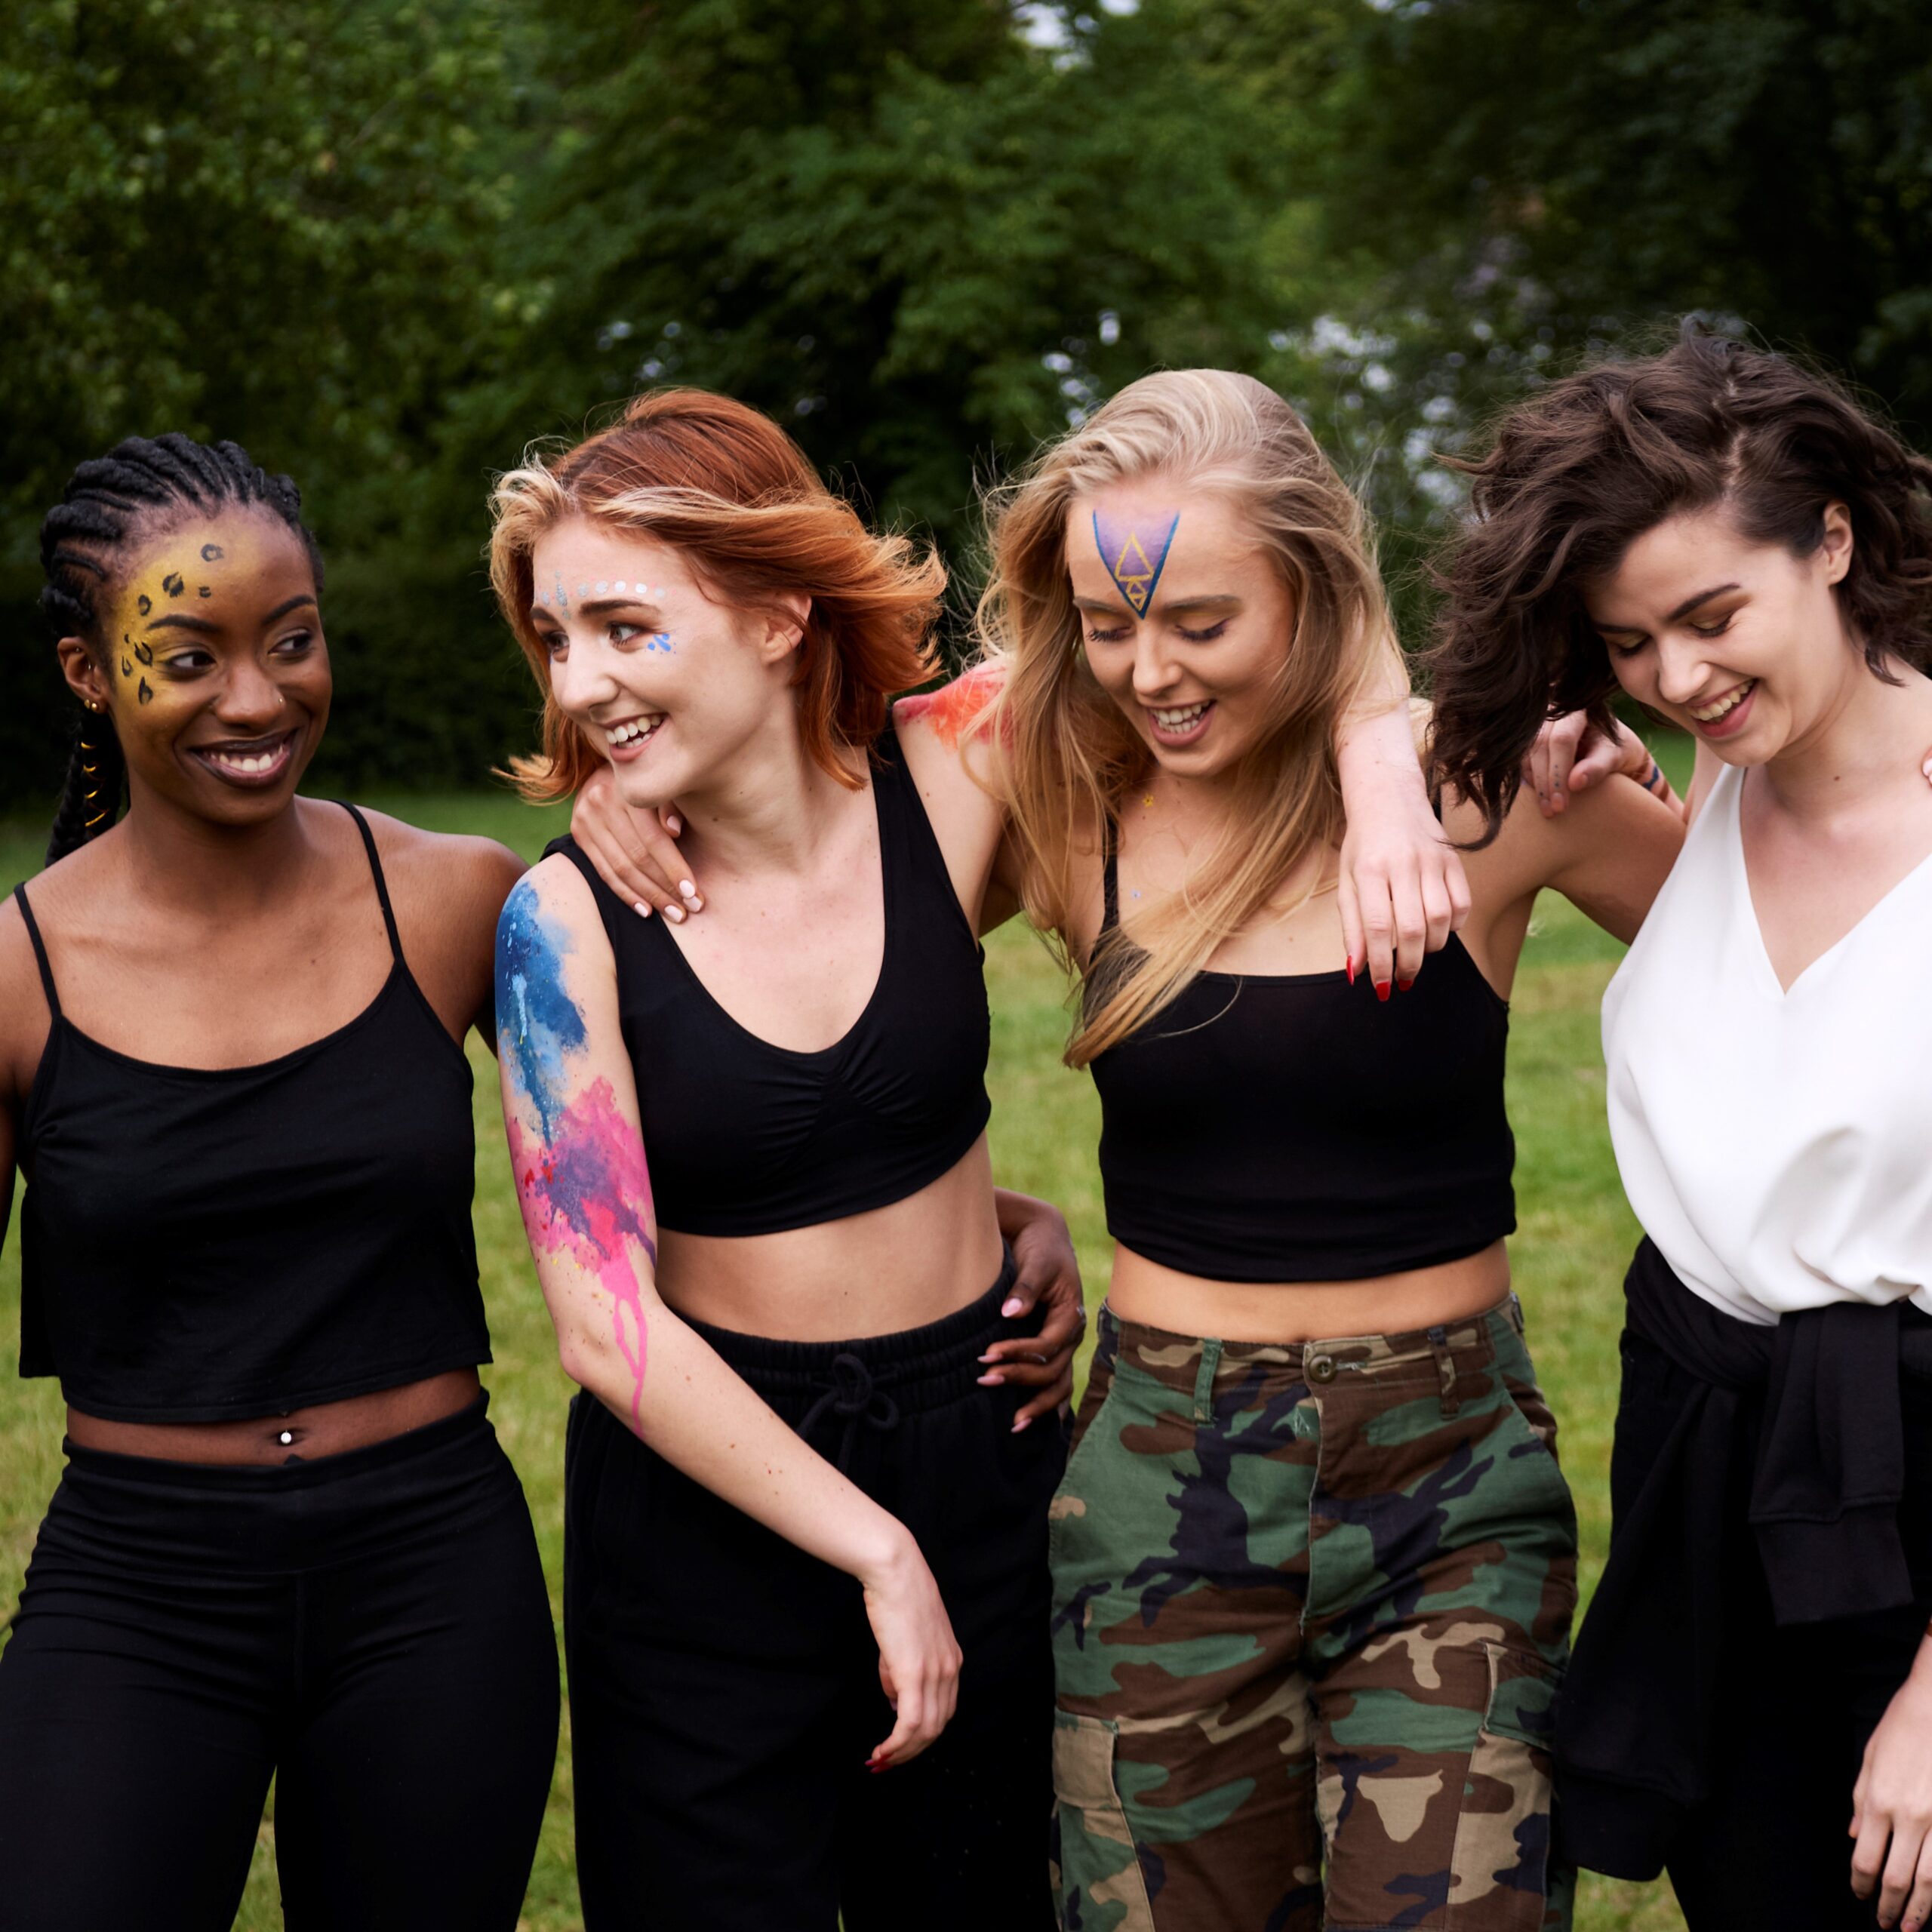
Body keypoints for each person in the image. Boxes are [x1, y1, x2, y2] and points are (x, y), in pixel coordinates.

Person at [568, 369, 1681, 1929]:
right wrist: (627, 788)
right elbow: (813, 901)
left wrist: (1380, 752)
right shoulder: (1047, 784)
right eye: (1103, 623)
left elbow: (1793, 956)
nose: (1148, 669)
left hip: (1447, 1485)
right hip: (1161, 1484)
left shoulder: (1484, 792)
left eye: (1200, 622)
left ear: (1310, 584)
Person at [488, 389, 1090, 1932]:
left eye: (627, 626)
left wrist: (1375, 764)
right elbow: (601, 1323)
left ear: (774, 613)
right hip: (709, 1507)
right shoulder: (563, 927)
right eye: (557, 638)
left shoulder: (955, 770)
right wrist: (873, 1545)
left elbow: (1232, 620)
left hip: (980, 1441)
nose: (582, 682)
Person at [0, 434, 559, 1930]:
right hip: (139, 1588)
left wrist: (981, 1208)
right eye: (187, 655)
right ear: (85, 672)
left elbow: (691, 1140)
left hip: (433, 1578)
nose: (258, 698)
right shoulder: (15, 974)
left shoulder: (453, 898)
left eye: (292, 641)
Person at [1428, 328, 1932, 1932]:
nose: (1674, 676)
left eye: (1713, 615)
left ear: (1831, 540)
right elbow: (1399, 730)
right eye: (1626, 640)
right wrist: (1398, 767)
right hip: (1706, 1459)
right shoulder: (1707, 789)